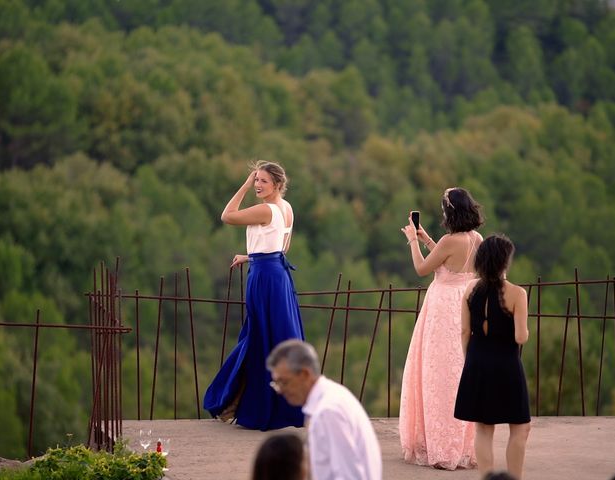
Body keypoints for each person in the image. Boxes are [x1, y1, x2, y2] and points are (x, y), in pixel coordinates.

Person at [203, 161, 305, 430]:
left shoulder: (265, 209)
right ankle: (274, 405)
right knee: (276, 336)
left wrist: (244, 186)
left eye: (263, 181)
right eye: (256, 180)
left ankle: (249, 404)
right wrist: (251, 256)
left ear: (277, 185)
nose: (258, 185)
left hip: (263, 278)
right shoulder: (287, 208)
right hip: (277, 275)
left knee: (260, 337)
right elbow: (281, 247)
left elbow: (227, 215)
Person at [398, 187, 484, 470]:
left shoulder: (450, 240)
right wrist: (427, 239)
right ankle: (461, 444)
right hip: (465, 304)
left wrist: (412, 241)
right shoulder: (475, 239)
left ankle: (441, 445)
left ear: (450, 212)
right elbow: (450, 264)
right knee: (459, 371)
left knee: (439, 374)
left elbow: (423, 269)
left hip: (443, 309)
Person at [454, 234, 531, 479]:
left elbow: (465, 331)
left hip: (477, 359)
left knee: (484, 429)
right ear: (504, 262)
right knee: (520, 427)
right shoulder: (517, 293)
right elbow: (520, 337)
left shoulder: (469, 289)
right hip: (506, 363)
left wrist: (470, 360)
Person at [266, 339, 382, 480]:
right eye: (276, 384)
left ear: (305, 375)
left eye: (283, 382)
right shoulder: (330, 396)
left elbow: (349, 476)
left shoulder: (327, 412)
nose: (280, 391)